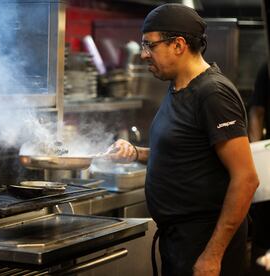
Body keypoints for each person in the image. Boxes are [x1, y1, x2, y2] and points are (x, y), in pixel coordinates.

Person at [109, 4, 259, 276]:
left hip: (205, 243)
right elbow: (184, 153)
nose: (143, 55)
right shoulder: (178, 88)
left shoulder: (213, 93)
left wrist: (212, 255)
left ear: (178, 45)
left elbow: (246, 178)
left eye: (149, 45)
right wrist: (135, 153)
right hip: (179, 241)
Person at [248, 62, 270, 276]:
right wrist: (255, 155)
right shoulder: (266, 69)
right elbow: (256, 112)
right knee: (264, 232)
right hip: (269, 159)